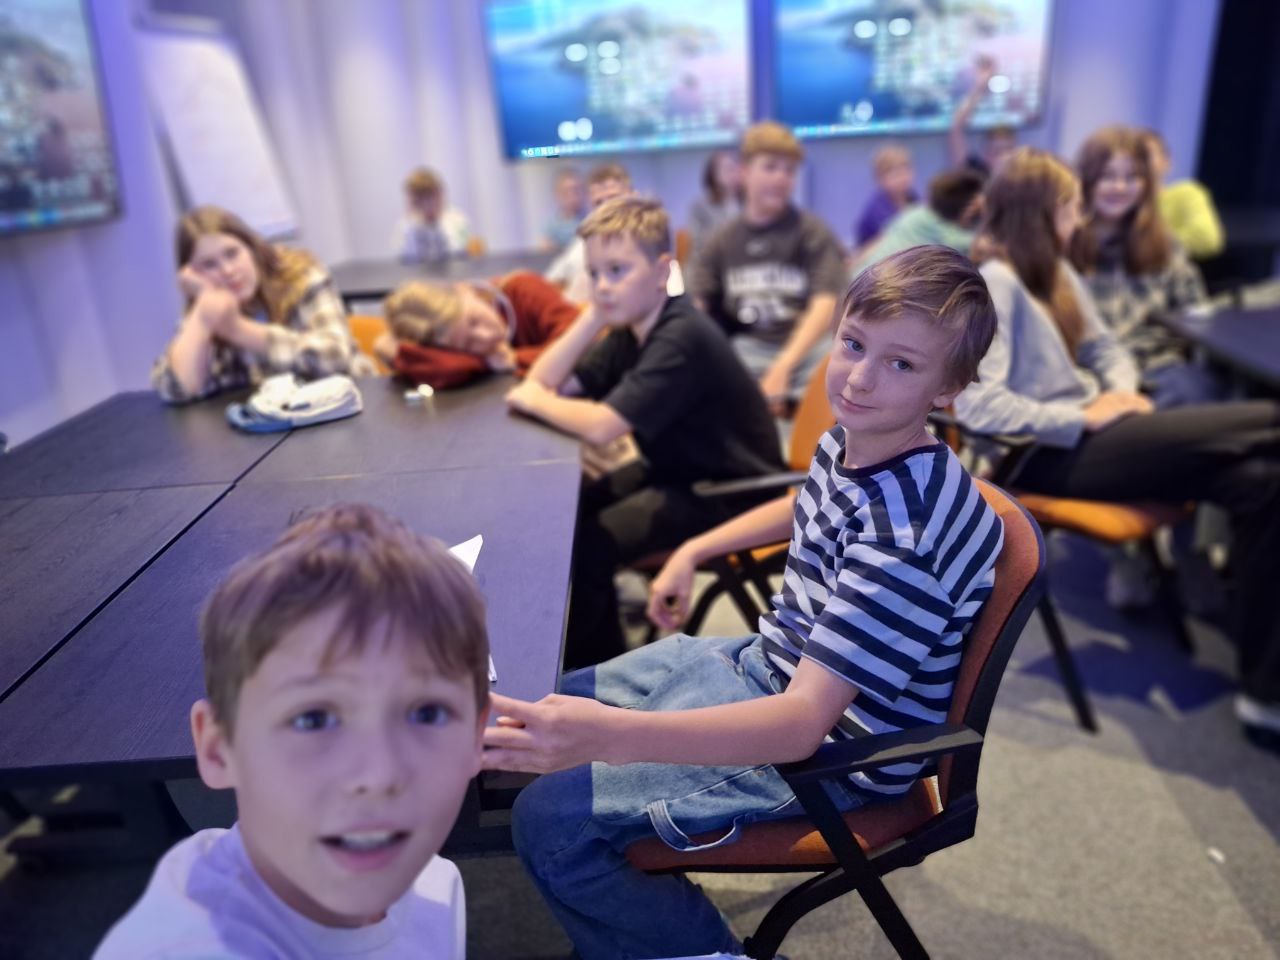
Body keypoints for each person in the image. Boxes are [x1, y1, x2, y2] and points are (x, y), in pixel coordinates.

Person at [483, 245, 1004, 959]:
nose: (858, 377)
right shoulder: (865, 440)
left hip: (836, 754)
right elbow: (810, 501)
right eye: (854, 344)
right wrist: (695, 550)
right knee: (543, 704)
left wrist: (611, 737)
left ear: (948, 389)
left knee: (552, 820)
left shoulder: (903, 538)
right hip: (772, 664)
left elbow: (800, 727)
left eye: (902, 364)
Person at [952, 146, 1280, 753]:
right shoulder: (997, 282)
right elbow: (979, 408)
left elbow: (1106, 350)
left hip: (1094, 433)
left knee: (1263, 480)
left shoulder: (1055, 271)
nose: (1078, 218)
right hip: (1043, 454)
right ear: (1041, 211)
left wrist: (1121, 395)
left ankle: (1264, 694)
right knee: (1268, 421)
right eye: (1070, 206)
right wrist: (1086, 415)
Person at [94, 504, 492, 959]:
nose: (378, 774)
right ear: (219, 748)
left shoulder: (434, 883)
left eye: (427, 713)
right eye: (312, 719)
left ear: (475, 738)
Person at [507, 195, 784, 670]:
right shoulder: (630, 329)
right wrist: (593, 315)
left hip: (731, 492)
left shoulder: (680, 336)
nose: (603, 285)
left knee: (588, 545)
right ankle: (586, 655)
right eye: (594, 274)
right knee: (566, 512)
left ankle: (597, 675)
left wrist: (533, 399)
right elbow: (549, 381)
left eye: (617, 271)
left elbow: (601, 426)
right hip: (677, 473)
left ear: (662, 271)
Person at [688, 121, 847, 414]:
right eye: (770, 167)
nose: (780, 178)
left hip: (805, 350)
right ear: (744, 172)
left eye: (789, 170)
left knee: (839, 364)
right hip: (747, 350)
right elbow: (697, 306)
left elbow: (825, 304)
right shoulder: (721, 240)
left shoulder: (813, 232)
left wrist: (782, 367)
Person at [152, 206, 373, 404]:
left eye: (232, 253)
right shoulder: (207, 309)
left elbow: (336, 358)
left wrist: (238, 330)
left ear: (251, 248)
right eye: (209, 264)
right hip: (271, 426)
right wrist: (201, 319)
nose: (228, 271)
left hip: (347, 409)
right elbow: (176, 389)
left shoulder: (302, 276)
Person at [1070, 125, 1217, 409]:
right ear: (1087, 180)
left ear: (1146, 184)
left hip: (1158, 369)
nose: (1120, 187)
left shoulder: (1166, 244)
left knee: (1204, 392)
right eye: (1108, 176)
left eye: (1131, 177)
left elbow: (1196, 313)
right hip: (1085, 373)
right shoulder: (1061, 244)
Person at [377, 272, 582, 389]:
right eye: (469, 343)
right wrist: (485, 362)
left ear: (465, 290)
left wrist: (514, 359)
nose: (486, 336)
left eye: (474, 321)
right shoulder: (465, 347)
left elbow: (586, 344)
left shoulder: (523, 289)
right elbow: (447, 368)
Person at [545, 162, 686, 303]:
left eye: (613, 198)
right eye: (598, 203)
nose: (607, 209)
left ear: (634, 196)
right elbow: (553, 278)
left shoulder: (653, 233)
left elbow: (673, 296)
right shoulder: (585, 244)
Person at [852, 168, 985, 274]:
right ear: (968, 209)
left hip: (861, 276)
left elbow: (878, 240)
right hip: (876, 283)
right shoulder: (945, 232)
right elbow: (982, 247)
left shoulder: (914, 210)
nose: (903, 179)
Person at [1142, 128, 1224, 260]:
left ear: (1166, 163)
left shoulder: (1185, 193)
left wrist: (1143, 246)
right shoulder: (1115, 202)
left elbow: (1206, 239)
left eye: (1146, 154)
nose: (1138, 162)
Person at [948, 56, 1018, 179]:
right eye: (997, 151)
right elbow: (956, 129)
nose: (1003, 157)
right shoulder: (974, 174)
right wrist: (979, 88)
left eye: (1008, 150)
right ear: (986, 153)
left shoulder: (1020, 179)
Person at [393, 167, 472, 263]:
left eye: (428, 197)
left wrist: (434, 226)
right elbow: (404, 257)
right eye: (416, 201)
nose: (424, 204)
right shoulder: (405, 225)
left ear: (439, 195)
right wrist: (416, 226)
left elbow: (459, 253)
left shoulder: (457, 220)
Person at [853, 144, 919, 247]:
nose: (903, 178)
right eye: (896, 174)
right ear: (880, 179)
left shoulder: (917, 201)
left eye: (906, 170)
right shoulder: (875, 212)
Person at [686, 148, 741, 258]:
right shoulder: (700, 207)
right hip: (712, 260)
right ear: (714, 175)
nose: (734, 173)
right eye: (729, 169)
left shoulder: (748, 203)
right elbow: (697, 244)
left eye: (736, 168)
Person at [540, 166, 586, 252]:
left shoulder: (591, 220)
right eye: (566, 192)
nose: (572, 196)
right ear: (557, 194)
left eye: (576, 190)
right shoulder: (552, 227)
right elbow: (544, 251)